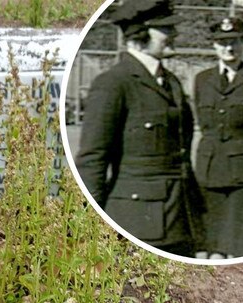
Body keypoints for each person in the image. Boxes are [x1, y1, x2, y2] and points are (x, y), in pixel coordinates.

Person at [74, 0, 203, 257]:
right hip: (136, 223)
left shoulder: (170, 81)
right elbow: (93, 160)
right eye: (165, 30)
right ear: (140, 35)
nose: (174, 35)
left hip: (180, 219)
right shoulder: (113, 83)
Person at [193, 18, 243, 258]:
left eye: (234, 42)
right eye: (222, 43)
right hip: (209, 168)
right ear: (214, 46)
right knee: (210, 246)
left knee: (237, 246)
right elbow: (203, 123)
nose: (229, 48)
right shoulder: (202, 79)